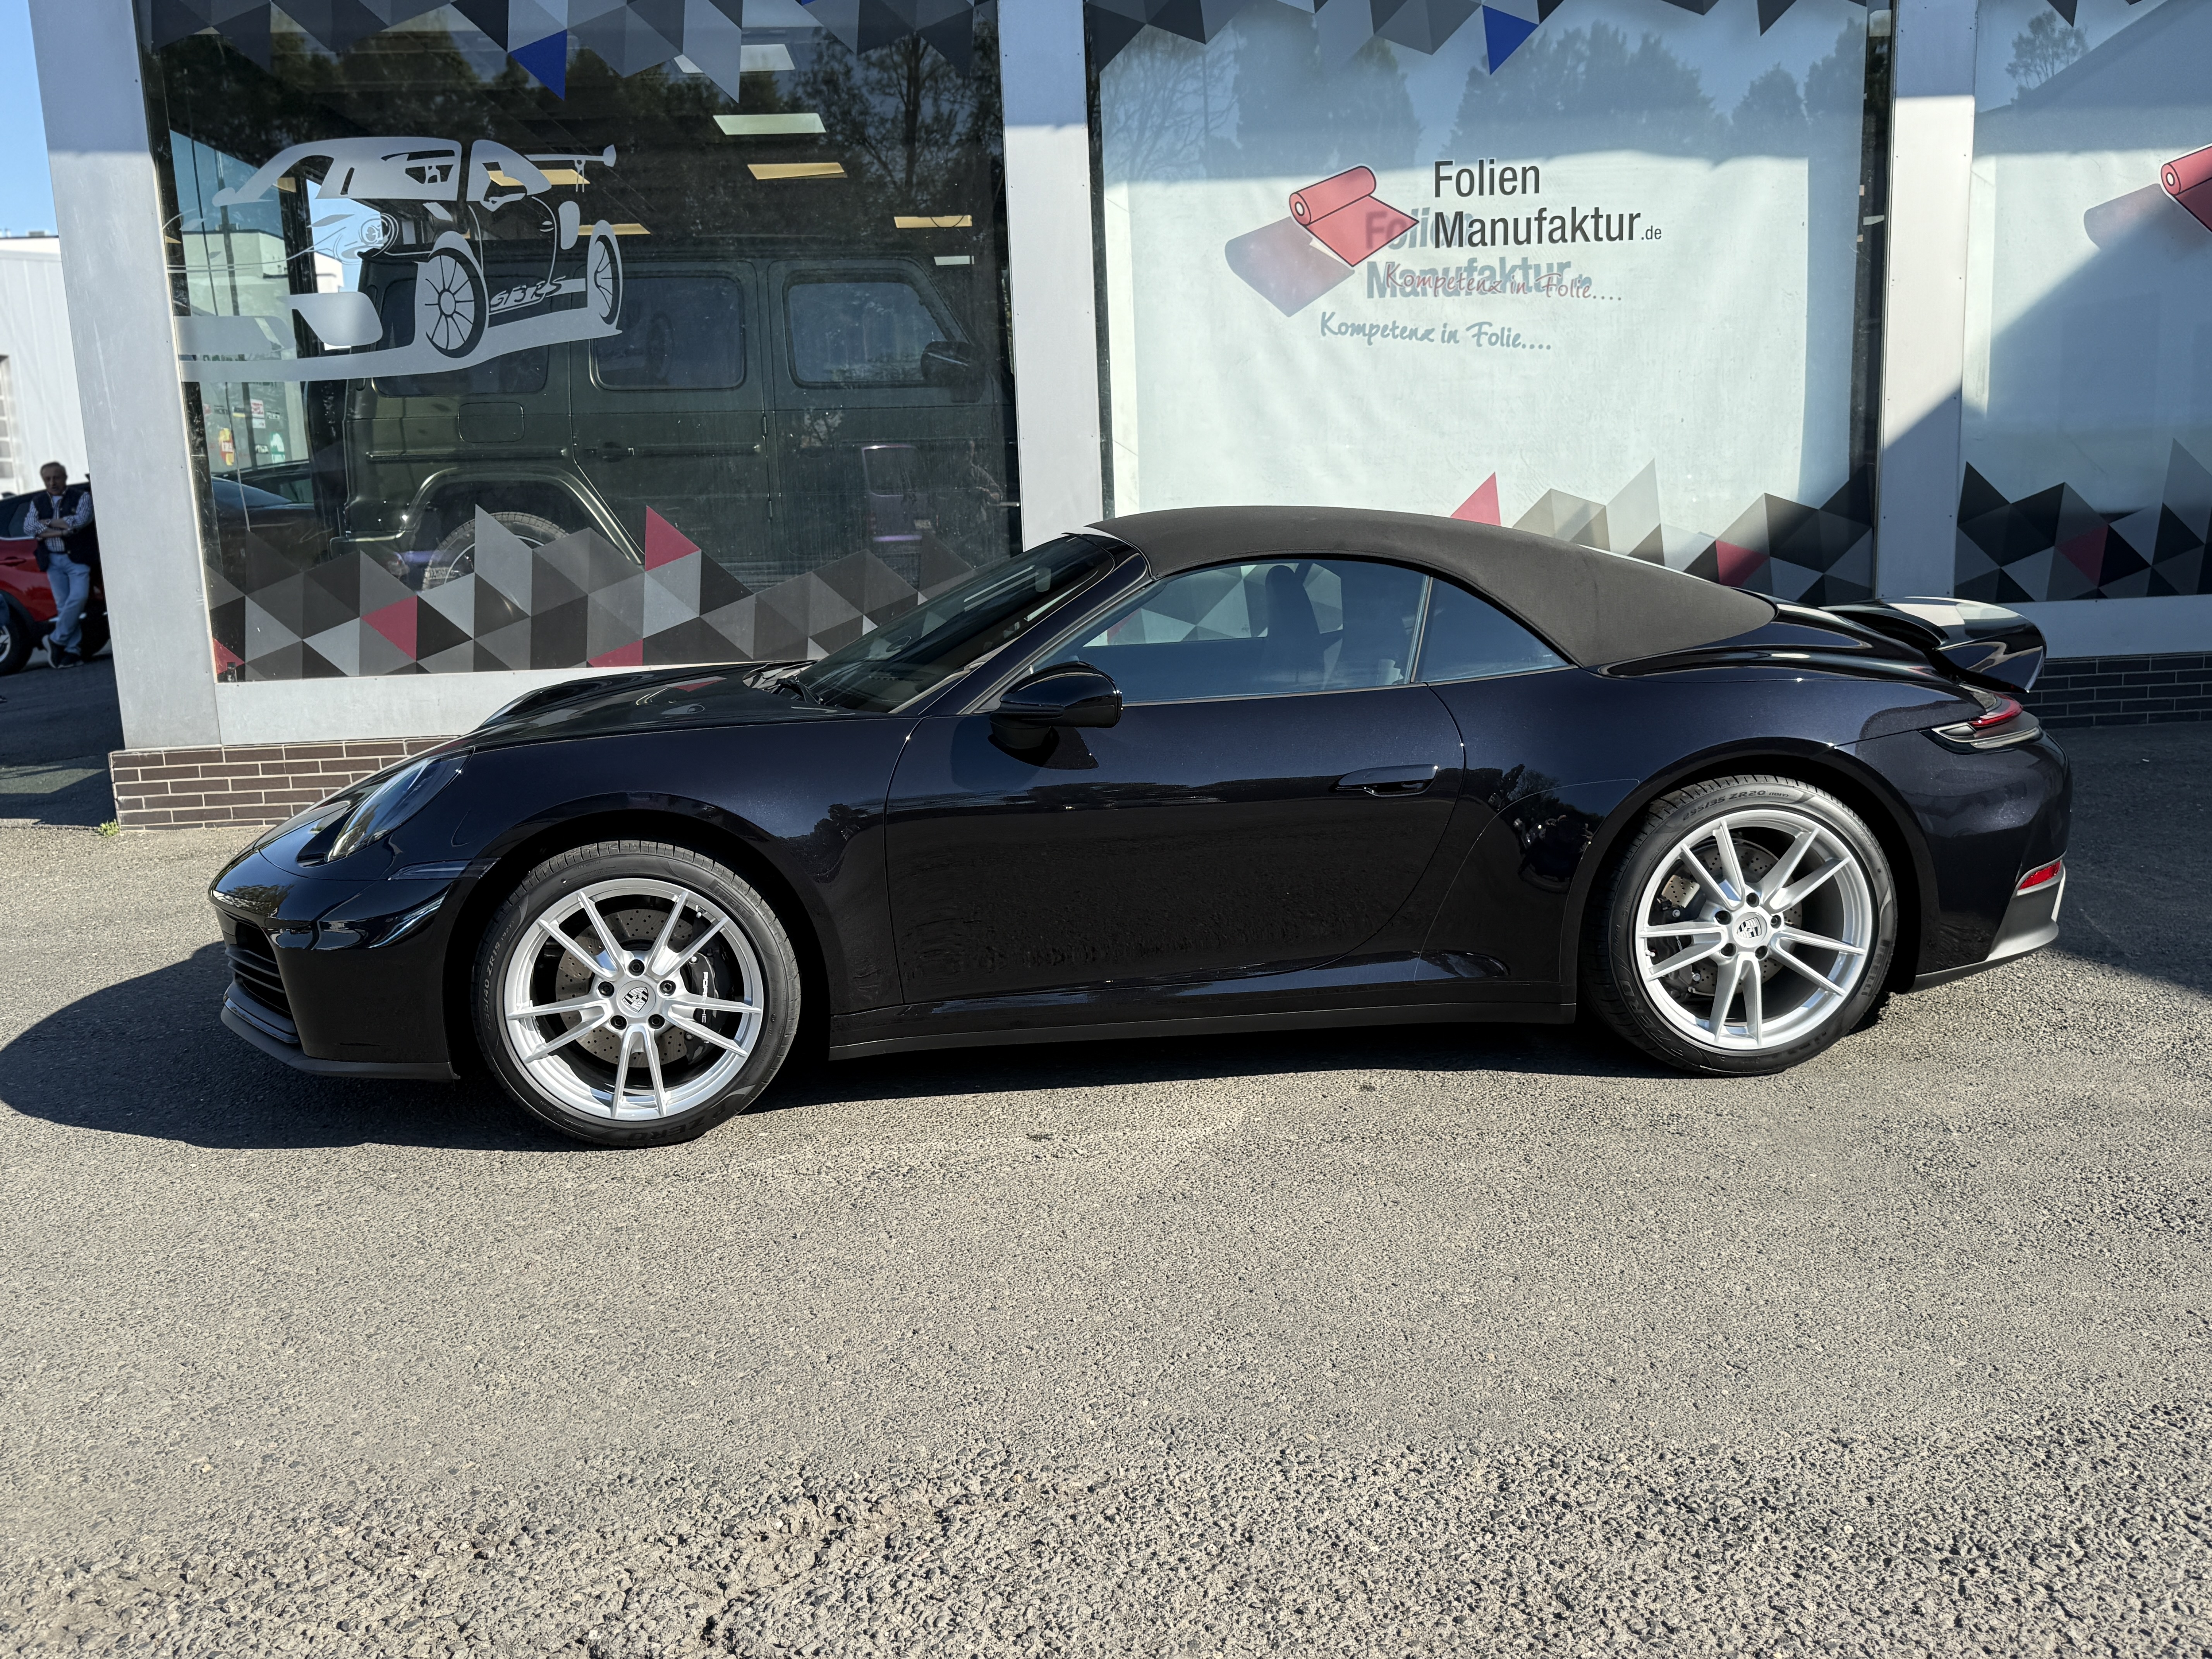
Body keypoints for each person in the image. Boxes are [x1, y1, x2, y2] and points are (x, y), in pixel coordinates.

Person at [25, 461, 95, 668]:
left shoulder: (82, 497)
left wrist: (46, 524)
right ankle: (72, 651)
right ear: (43, 480)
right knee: (63, 605)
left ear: (65, 478)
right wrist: (63, 530)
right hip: (52, 560)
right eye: (48, 479)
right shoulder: (37, 501)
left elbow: (83, 520)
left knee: (80, 597)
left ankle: (56, 639)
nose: (52, 482)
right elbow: (29, 526)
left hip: (77, 558)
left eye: (56, 477)